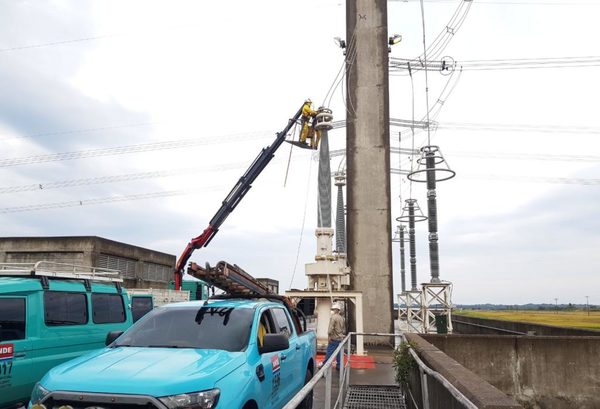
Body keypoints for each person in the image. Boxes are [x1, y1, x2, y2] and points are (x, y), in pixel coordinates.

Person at [322, 302, 345, 370]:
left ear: (336, 310)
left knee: (329, 352)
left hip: (334, 338)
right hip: (340, 338)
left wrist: (329, 336)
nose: (332, 311)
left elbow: (330, 328)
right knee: (339, 354)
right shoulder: (341, 318)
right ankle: (339, 366)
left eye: (333, 309)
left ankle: (324, 366)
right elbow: (343, 329)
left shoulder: (333, 317)